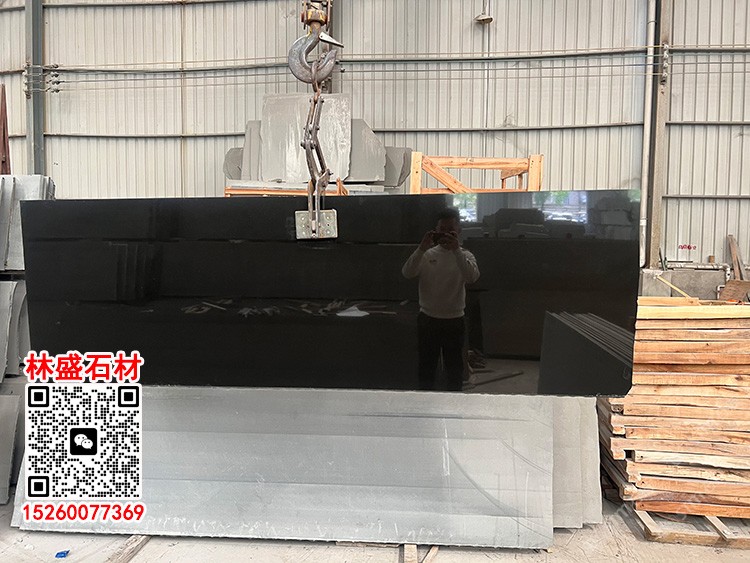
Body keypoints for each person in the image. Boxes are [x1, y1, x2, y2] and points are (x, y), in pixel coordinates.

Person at [401, 208, 480, 391]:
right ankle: (425, 402)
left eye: (450, 230)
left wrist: (456, 250)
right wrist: (422, 248)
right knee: (426, 368)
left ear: (458, 230)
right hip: (428, 319)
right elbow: (407, 272)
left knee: (454, 369)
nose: (445, 234)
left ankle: (453, 402)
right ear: (435, 231)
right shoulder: (427, 255)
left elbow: (471, 277)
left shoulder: (466, 256)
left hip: (454, 320)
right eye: (441, 230)